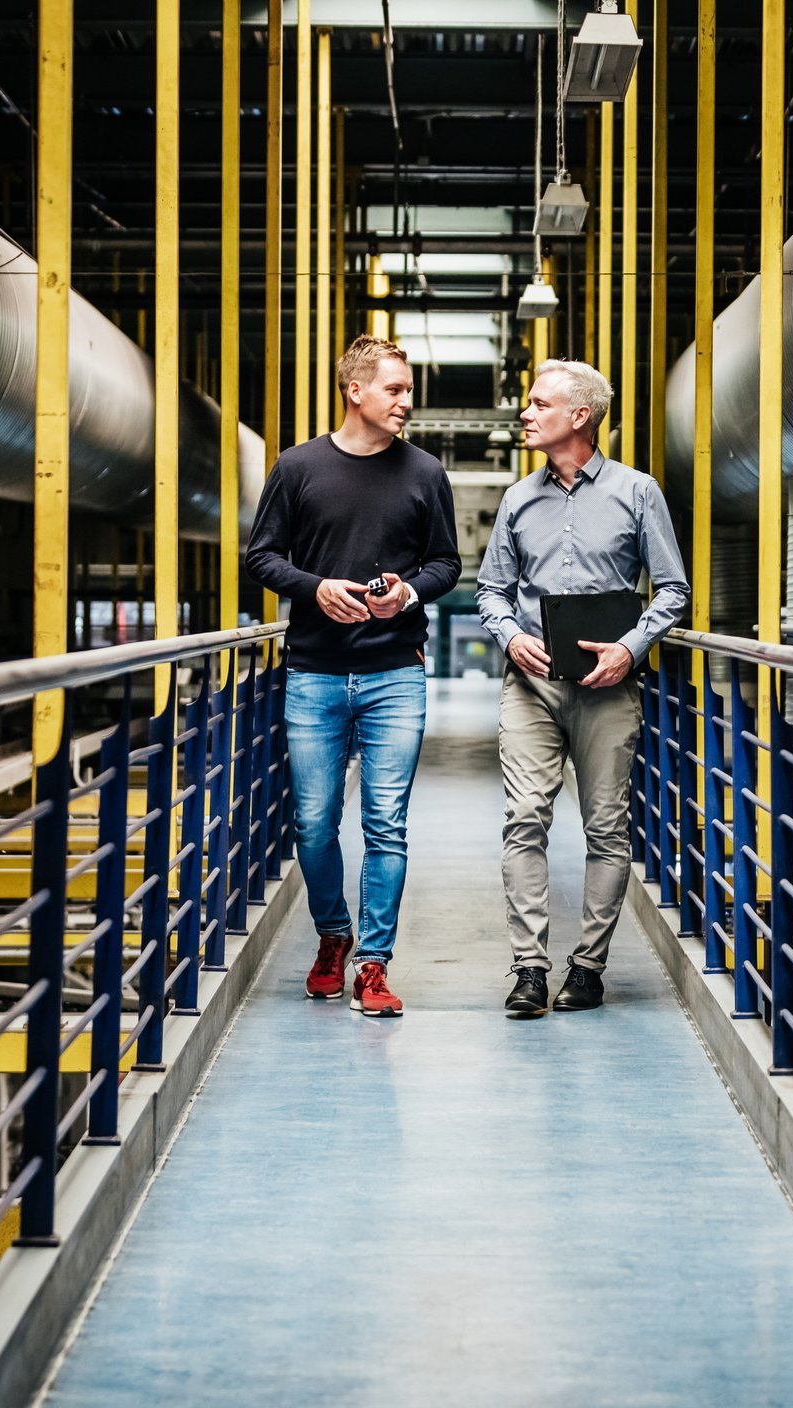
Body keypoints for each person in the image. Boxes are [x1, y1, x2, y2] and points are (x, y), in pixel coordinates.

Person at [246, 335, 460, 1018]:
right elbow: (262, 556)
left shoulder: (425, 472)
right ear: (355, 391)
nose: (406, 401)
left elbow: (446, 563)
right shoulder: (297, 466)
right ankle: (332, 936)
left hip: (395, 671)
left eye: (407, 389)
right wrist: (315, 589)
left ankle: (373, 963)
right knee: (313, 824)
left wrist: (409, 594)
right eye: (394, 389)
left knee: (386, 824)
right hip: (313, 672)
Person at [476, 358, 689, 1017]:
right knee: (524, 820)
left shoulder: (637, 493)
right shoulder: (517, 499)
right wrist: (511, 635)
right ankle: (530, 971)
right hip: (531, 686)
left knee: (606, 826)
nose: (526, 412)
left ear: (580, 417)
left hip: (607, 688)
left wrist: (631, 647)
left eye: (540, 404)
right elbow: (491, 591)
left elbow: (673, 590)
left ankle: (589, 969)